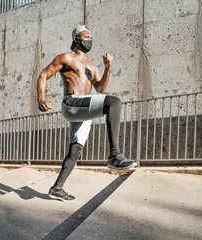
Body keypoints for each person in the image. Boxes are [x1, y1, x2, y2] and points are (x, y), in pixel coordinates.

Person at [37, 25, 137, 202]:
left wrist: (107, 68)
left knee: (75, 149)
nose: (90, 39)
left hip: (83, 109)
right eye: (86, 36)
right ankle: (115, 156)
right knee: (114, 102)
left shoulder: (92, 66)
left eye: (91, 37)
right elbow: (44, 75)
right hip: (71, 103)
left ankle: (57, 188)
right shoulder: (66, 57)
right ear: (77, 39)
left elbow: (100, 88)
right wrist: (41, 98)